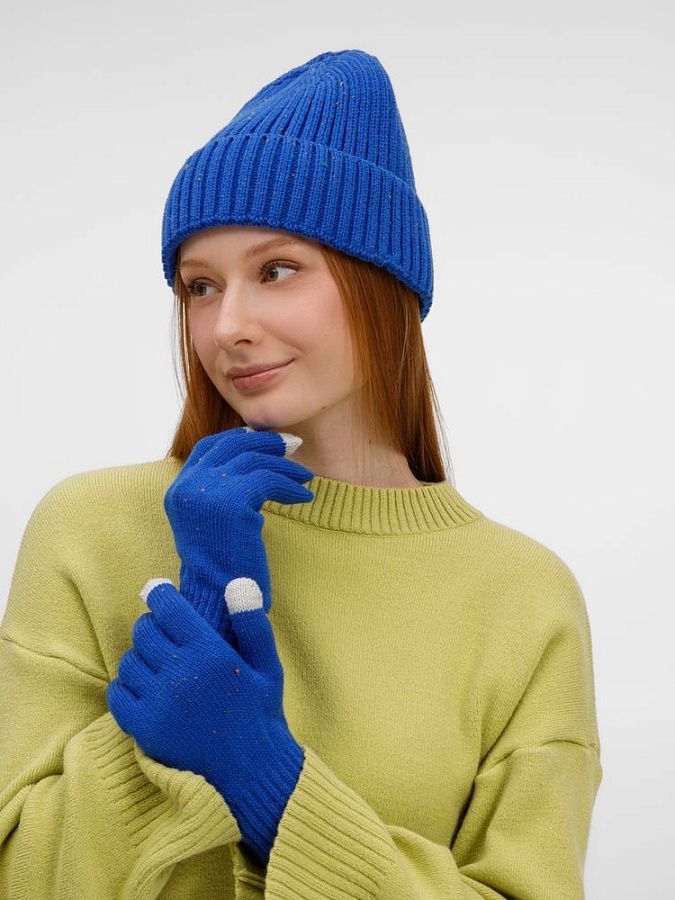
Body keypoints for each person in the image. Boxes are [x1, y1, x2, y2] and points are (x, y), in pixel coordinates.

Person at [0, 48, 602, 898]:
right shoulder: (90, 527)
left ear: (380, 282)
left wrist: (267, 782)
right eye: (199, 287)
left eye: (275, 271)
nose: (226, 327)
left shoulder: (523, 597)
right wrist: (198, 613)